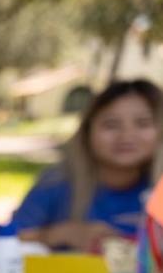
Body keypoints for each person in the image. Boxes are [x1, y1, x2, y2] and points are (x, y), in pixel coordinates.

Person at [12, 79, 162, 252]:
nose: (126, 136)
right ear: (87, 132)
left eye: (143, 124)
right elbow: (8, 240)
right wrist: (64, 233)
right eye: (111, 124)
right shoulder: (57, 182)